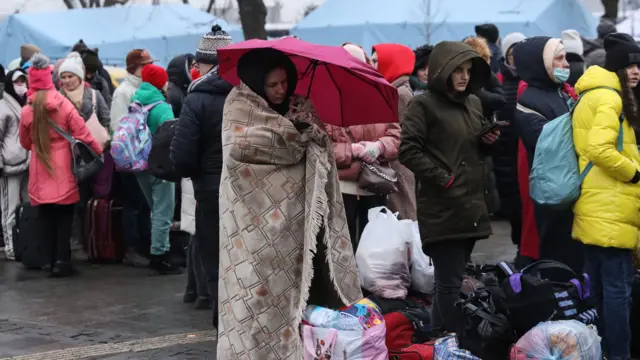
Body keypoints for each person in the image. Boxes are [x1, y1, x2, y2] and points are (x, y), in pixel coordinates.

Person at [217, 48, 362, 359]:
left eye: (285, 82)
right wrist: (294, 137)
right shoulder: (239, 107)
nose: (281, 90)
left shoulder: (299, 107)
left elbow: (319, 144)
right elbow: (242, 151)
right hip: (254, 234)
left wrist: (308, 131)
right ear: (257, 84)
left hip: (300, 229)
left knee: (303, 301)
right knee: (256, 303)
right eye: (273, 85)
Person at [399, 41, 494, 334]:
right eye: (457, 70)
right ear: (443, 71)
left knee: (450, 280)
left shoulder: (474, 103)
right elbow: (408, 150)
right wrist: (443, 178)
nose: (464, 76)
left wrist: (486, 142)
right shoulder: (423, 104)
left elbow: (467, 148)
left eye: (468, 70)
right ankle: (450, 341)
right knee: (450, 282)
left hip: (471, 204)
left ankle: (440, 341)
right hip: (442, 205)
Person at [572, 33, 640, 360]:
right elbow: (598, 149)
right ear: (615, 67)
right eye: (629, 64)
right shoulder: (610, 98)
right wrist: (633, 171)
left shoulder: (592, 93)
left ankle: (601, 350)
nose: (636, 70)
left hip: (594, 203)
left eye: (638, 63)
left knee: (599, 286)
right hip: (611, 206)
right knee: (618, 291)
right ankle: (620, 354)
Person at [19, 53, 102, 277]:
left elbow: (25, 142)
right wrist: (98, 150)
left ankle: (48, 260)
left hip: (39, 165)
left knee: (45, 216)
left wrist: (38, 145)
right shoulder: (63, 105)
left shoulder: (27, 110)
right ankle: (62, 261)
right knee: (65, 216)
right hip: (63, 166)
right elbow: (81, 132)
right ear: (49, 79)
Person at [170, 24, 233, 316]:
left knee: (215, 259)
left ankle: (221, 321)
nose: (195, 67)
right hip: (244, 188)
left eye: (199, 62)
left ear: (208, 64)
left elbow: (181, 157)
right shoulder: (247, 96)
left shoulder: (195, 98)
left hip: (208, 191)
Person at [513, 36, 583, 273]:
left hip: (569, 189)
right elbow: (552, 144)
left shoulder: (561, 92)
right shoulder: (529, 100)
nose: (566, 65)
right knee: (558, 260)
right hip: (554, 195)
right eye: (559, 58)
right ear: (540, 64)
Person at [325, 43, 401, 250]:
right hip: (342, 186)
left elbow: (396, 136)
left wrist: (379, 146)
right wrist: (353, 151)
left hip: (375, 184)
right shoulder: (325, 100)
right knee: (344, 246)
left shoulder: (381, 94)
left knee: (375, 248)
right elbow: (320, 146)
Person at [58, 52, 111, 260]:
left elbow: (106, 119)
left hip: (92, 158)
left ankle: (91, 243)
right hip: (66, 158)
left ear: (80, 76)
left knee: (88, 201)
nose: (67, 81)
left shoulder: (95, 95)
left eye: (70, 76)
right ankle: (74, 244)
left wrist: (104, 137)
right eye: (63, 77)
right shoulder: (57, 99)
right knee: (72, 204)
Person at [131, 63, 179, 275]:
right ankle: (160, 256)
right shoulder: (162, 107)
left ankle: (157, 250)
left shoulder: (136, 101)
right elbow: (171, 137)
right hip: (158, 164)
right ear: (161, 82)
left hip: (138, 163)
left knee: (154, 209)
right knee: (163, 211)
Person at [110, 49, 154, 268]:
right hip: (130, 158)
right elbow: (118, 127)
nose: (148, 68)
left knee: (144, 204)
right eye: (144, 65)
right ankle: (132, 249)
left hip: (142, 157)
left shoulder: (142, 89)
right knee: (133, 204)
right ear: (134, 68)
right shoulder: (124, 92)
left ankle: (144, 246)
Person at [371, 43, 417, 221]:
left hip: (398, 164)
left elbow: (399, 131)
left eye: (376, 61)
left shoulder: (399, 93)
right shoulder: (394, 89)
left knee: (403, 214)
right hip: (395, 162)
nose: (372, 65)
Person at [463, 36, 505, 215]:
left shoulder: (488, 77)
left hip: (485, 136)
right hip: (466, 137)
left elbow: (500, 100)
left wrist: (477, 92)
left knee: (485, 177)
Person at [496, 32, 526, 260]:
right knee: (513, 206)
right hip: (503, 153)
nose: (515, 58)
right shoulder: (498, 81)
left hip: (525, 150)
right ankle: (519, 247)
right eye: (511, 54)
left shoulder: (533, 79)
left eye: (519, 53)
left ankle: (524, 251)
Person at [0, 69, 29, 260]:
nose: (21, 85)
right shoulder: (3, 108)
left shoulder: (26, 104)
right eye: (17, 81)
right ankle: (11, 247)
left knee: (27, 207)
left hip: (28, 162)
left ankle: (27, 245)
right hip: (9, 166)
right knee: (10, 209)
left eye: (23, 81)